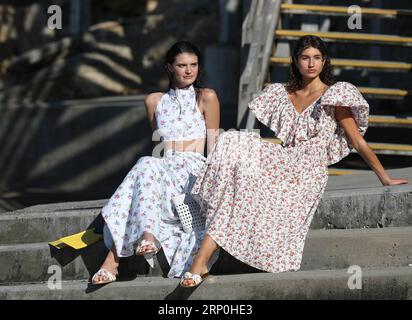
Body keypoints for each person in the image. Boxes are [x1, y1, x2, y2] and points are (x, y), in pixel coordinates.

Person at [180, 35, 408, 287]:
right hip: (284, 160)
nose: (311, 64)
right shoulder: (282, 93)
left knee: (242, 180)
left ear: (324, 61)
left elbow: (357, 141)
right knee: (232, 141)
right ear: (296, 61)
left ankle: (198, 261)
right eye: (305, 57)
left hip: (308, 170)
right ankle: (200, 261)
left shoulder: (335, 94)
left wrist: (384, 176)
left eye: (317, 58)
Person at [92, 41, 220, 285]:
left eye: (193, 65)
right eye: (182, 65)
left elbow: (214, 147)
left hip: (193, 169)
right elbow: (160, 144)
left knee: (145, 165)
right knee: (148, 163)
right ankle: (146, 235)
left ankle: (114, 260)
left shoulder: (207, 97)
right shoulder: (154, 101)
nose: (189, 70)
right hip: (163, 169)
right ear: (169, 68)